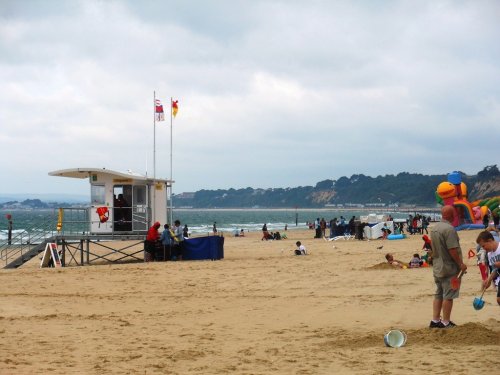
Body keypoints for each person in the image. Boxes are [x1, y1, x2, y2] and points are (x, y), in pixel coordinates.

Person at [429, 205, 467, 329]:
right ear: (452, 215)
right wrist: (460, 264)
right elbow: (452, 250)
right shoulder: (449, 229)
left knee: (439, 293)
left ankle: (435, 320)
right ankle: (445, 322)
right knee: (449, 295)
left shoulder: (434, 228)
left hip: (437, 265)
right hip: (449, 267)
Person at [476, 230, 500, 305]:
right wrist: (488, 280)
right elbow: (495, 270)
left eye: (483, 246)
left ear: (490, 241)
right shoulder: (489, 254)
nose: (483, 248)